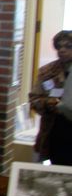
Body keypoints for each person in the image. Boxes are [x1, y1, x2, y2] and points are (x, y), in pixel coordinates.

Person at [29, 30, 72, 165]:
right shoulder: (47, 71)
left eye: (68, 46)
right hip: (55, 130)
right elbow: (34, 100)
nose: (62, 50)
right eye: (59, 47)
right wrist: (49, 103)